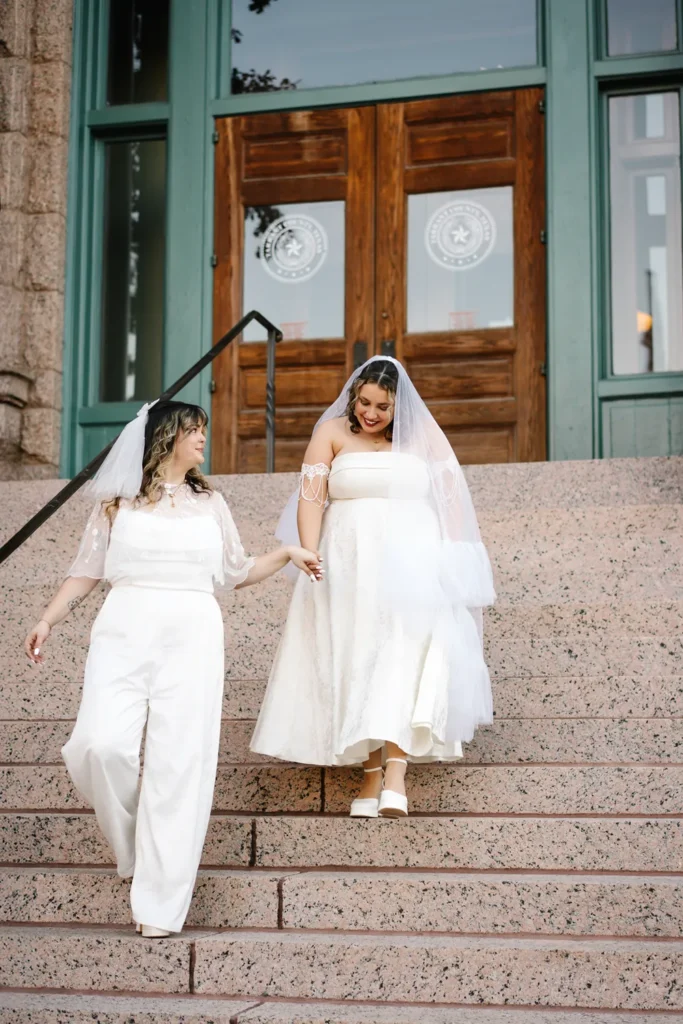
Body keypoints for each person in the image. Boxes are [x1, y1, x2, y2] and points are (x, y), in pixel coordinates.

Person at [23, 400, 321, 937]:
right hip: (123, 629)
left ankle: (159, 905)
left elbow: (235, 571)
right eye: (193, 429)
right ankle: (135, 844)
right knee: (97, 745)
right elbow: (86, 572)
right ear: (166, 437)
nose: (203, 438)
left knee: (177, 766)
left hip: (192, 633)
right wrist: (48, 619)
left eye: (204, 428)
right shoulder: (116, 503)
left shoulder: (211, 503)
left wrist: (284, 554)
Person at [250, 357, 496, 818]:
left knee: (401, 655)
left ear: (399, 407)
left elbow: (451, 501)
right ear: (353, 397)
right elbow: (311, 499)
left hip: (414, 561)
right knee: (356, 656)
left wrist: (451, 560)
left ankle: (396, 772)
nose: (371, 413)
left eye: (383, 406)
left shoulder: (424, 437)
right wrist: (309, 553)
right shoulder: (331, 434)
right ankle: (368, 774)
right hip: (347, 561)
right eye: (364, 402)